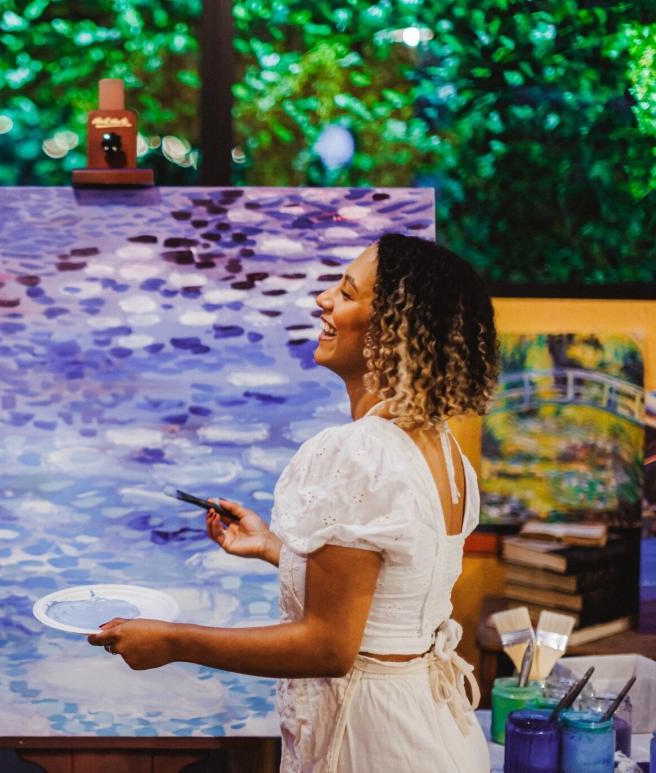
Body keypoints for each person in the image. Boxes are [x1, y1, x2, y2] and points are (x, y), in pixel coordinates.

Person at [89, 233, 498, 772]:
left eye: (347, 294)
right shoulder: (442, 452)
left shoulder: (356, 451)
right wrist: (275, 549)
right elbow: (390, 597)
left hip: (371, 743)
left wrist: (171, 640)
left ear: (394, 331)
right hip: (433, 733)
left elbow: (329, 647)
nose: (323, 300)